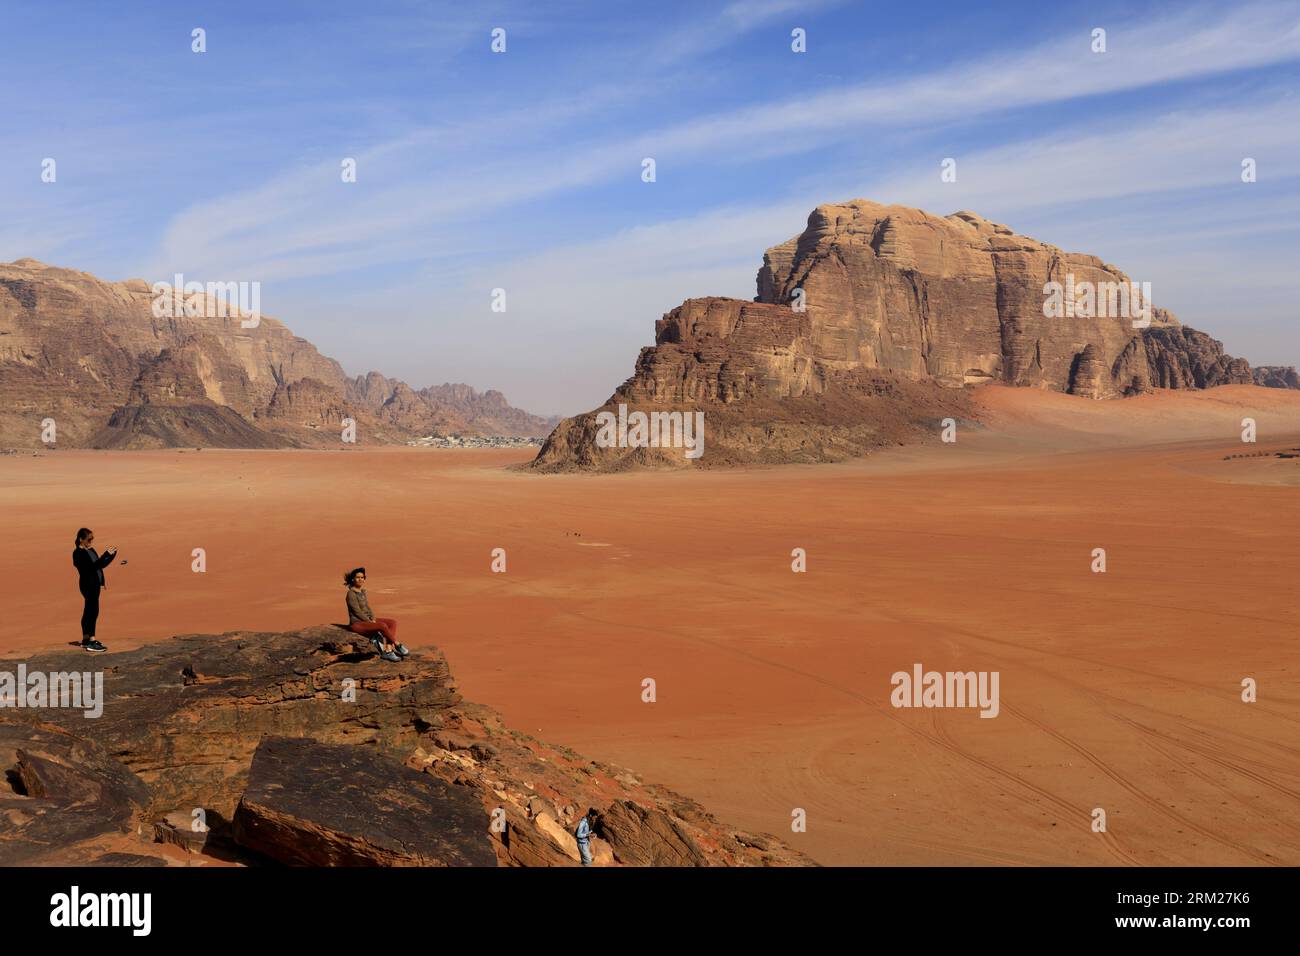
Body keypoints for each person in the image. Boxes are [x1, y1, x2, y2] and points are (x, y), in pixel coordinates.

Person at [343, 567, 408, 662]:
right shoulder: (351, 594)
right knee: (382, 626)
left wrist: (373, 617)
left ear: (364, 579)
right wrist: (370, 621)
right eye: (357, 577)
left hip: (367, 620)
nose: (360, 579)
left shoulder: (363, 592)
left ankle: (389, 649)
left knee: (392, 622)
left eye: (362, 577)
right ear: (353, 579)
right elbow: (357, 611)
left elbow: (367, 607)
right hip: (357, 624)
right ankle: (397, 645)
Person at [72, 528, 116, 652]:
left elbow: (100, 565)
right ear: (81, 539)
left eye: (92, 539)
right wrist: (106, 555)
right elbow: (92, 567)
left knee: (89, 611)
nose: (91, 542)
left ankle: (86, 639)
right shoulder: (77, 554)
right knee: (92, 611)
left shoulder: (90, 550)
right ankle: (92, 641)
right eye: (89, 539)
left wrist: (111, 556)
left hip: (95, 585)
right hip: (87, 585)